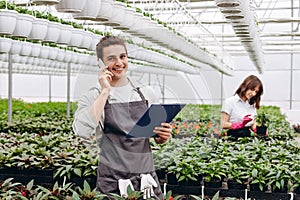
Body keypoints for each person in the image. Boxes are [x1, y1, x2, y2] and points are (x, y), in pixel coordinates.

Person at [72, 36, 172, 199]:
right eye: (111, 58)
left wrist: (163, 137)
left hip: (145, 178)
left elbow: (156, 138)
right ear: (100, 63)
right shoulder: (93, 96)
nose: (119, 63)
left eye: (122, 56)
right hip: (112, 181)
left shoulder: (145, 93)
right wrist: (105, 91)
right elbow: (81, 131)